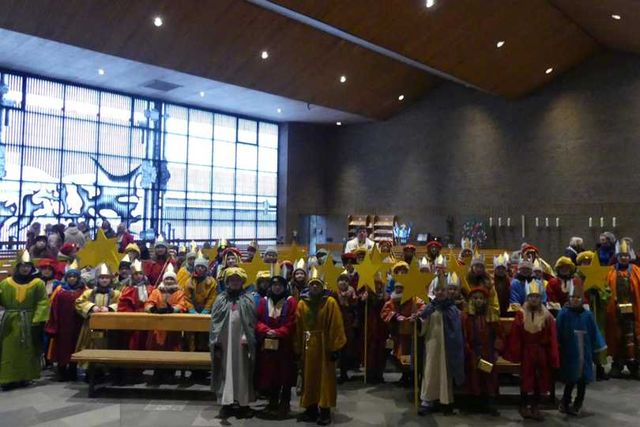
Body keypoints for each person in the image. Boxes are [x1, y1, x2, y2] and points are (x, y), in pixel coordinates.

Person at [295, 267, 346, 426]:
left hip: (325, 346)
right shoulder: (302, 304)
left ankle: (324, 411)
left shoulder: (329, 302)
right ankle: (310, 409)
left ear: (322, 286)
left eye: (318, 284)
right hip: (308, 346)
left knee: (325, 379)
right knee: (309, 377)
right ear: (308, 286)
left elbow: (336, 324)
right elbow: (298, 326)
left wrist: (335, 347)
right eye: (312, 284)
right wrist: (297, 348)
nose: (315, 287)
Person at [506, 279, 559, 421]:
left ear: (541, 297)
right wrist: (515, 353)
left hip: (541, 351)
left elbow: (552, 337)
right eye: (531, 296)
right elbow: (516, 335)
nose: (534, 299)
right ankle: (523, 405)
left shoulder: (547, 316)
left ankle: (536, 405)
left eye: (536, 296)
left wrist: (553, 355)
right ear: (527, 297)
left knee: (539, 379)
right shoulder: (521, 313)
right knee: (526, 378)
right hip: (527, 352)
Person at [210, 267, 256, 419]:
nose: (235, 282)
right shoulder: (220, 299)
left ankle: (243, 404)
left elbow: (251, 321)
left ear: (242, 281)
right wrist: (216, 339)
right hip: (225, 341)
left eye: (237, 280)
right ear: (227, 281)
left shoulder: (248, 298)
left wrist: (246, 337)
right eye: (232, 280)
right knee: (226, 370)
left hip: (242, 343)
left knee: (242, 371)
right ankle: (226, 404)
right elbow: (215, 321)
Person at [0, 250, 49, 390]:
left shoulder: (37, 283)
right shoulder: (6, 283)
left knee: (27, 350)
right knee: (9, 349)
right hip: (10, 321)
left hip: (29, 321)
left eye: (28, 265)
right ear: (17, 267)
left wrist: (38, 319)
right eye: (22, 266)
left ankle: (25, 377)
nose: (25, 268)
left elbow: (42, 302)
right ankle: (7, 378)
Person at [556, 281, 607, 416]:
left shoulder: (587, 315)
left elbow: (594, 331)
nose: (575, 300)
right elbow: (558, 331)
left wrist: (598, 347)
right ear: (569, 298)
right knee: (570, 379)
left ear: (582, 299)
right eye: (572, 297)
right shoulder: (563, 314)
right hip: (570, 353)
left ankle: (578, 403)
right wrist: (557, 345)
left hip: (585, 352)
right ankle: (565, 401)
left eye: (578, 298)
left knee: (582, 381)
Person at [418, 273, 464, 416]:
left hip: (447, 346)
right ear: (434, 291)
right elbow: (423, 324)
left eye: (443, 290)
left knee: (445, 372)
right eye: (437, 290)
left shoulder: (453, 309)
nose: (440, 292)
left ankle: (446, 400)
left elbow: (456, 328)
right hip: (432, 344)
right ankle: (428, 400)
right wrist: (418, 320)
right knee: (430, 370)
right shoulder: (429, 307)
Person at [255, 270, 298, 419]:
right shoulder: (263, 301)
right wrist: (266, 330)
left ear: (284, 286)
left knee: (285, 374)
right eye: (274, 285)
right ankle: (272, 402)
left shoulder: (290, 301)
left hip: (284, 345)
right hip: (268, 343)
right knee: (270, 374)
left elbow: (292, 322)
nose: (277, 288)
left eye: (280, 285)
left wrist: (279, 332)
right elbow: (258, 320)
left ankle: (285, 404)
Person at [462, 286, 503, 416]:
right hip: (473, 351)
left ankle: (489, 402)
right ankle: (474, 402)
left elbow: (499, 335)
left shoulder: (491, 315)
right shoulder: (467, 316)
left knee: (489, 377)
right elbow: (464, 335)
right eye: (475, 298)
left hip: (488, 351)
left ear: (485, 300)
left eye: (481, 298)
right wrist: (468, 349)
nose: (478, 301)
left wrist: (496, 350)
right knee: (473, 376)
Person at [605, 239, 640, 379]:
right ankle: (617, 365)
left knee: (633, 338)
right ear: (617, 256)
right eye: (621, 255)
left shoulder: (637, 271)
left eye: (626, 255)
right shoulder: (610, 272)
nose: (624, 258)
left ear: (629, 256)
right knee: (617, 337)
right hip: (616, 311)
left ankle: (635, 366)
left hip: (633, 311)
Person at [45, 263, 86, 382]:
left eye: (74, 276)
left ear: (78, 278)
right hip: (63, 326)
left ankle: (73, 370)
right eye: (70, 276)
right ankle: (62, 371)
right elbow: (53, 309)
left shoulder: (84, 291)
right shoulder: (60, 291)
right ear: (66, 278)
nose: (72, 278)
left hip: (78, 325)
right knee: (62, 348)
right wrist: (53, 325)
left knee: (75, 347)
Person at [381, 279, 425, 386]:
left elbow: (423, 308)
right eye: (397, 288)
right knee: (402, 356)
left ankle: (412, 376)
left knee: (412, 356)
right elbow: (385, 312)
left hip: (411, 334)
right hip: (399, 334)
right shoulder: (392, 300)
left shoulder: (414, 299)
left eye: (401, 288)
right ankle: (405, 376)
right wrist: (395, 316)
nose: (399, 290)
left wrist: (416, 316)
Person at [576, 250, 610, 380]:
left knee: (598, 339)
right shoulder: (577, 278)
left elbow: (607, 293)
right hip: (583, 315)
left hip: (597, 315)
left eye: (588, 262)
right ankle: (584, 369)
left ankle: (600, 368)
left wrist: (599, 293)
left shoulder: (600, 277)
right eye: (583, 262)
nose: (586, 264)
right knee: (584, 341)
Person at [75, 263, 121, 354]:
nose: (104, 280)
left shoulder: (116, 293)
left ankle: (104, 365)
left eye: (107, 278)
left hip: (109, 326)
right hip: (90, 326)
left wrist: (110, 308)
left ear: (110, 279)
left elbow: (122, 304)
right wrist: (91, 307)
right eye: (102, 278)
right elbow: (78, 302)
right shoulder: (89, 292)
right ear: (97, 279)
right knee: (89, 344)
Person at [117, 260, 154, 351]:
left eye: (140, 273)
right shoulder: (127, 289)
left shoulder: (150, 288)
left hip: (148, 318)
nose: (138, 276)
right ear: (132, 275)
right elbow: (123, 305)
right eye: (136, 274)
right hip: (133, 318)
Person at [360, 271, 389, 384]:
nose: (377, 286)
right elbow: (361, 311)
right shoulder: (367, 297)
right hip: (370, 327)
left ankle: (379, 374)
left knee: (381, 352)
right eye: (375, 284)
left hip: (382, 329)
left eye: (379, 284)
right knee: (370, 351)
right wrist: (363, 301)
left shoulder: (386, 298)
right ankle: (370, 374)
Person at [333, 269, 359, 384]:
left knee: (347, 349)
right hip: (336, 323)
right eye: (341, 280)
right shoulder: (333, 293)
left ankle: (344, 372)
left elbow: (355, 309)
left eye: (345, 280)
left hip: (348, 324)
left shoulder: (352, 294)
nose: (343, 283)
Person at [493, 252, 512, 317]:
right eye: (498, 268)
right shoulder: (491, 281)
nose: (501, 270)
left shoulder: (509, 281)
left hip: (505, 308)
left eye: (503, 268)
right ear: (495, 270)